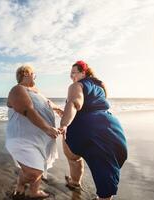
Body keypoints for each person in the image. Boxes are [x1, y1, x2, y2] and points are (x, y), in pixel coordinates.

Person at [59, 60, 128, 200]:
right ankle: (104, 197)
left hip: (85, 129)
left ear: (83, 73)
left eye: (74, 73)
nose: (72, 76)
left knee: (74, 158)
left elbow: (74, 103)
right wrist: (63, 112)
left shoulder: (76, 86)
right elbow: (93, 106)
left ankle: (75, 182)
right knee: (106, 165)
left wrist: (64, 124)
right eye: (70, 74)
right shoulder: (101, 86)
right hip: (110, 126)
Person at [6, 65, 63, 199]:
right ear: (26, 73)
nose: (35, 77)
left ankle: (34, 191)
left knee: (39, 166)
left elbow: (47, 102)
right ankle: (21, 183)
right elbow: (27, 110)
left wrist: (57, 109)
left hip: (40, 139)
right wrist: (48, 128)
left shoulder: (37, 93)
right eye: (34, 74)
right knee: (34, 171)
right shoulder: (18, 89)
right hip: (22, 138)